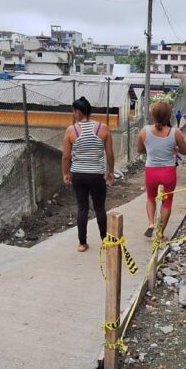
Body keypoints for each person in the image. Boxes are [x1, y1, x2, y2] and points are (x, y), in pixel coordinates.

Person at [61, 96, 114, 252]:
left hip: (78, 175)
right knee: (99, 208)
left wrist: (65, 173)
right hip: (96, 175)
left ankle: (82, 243)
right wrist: (110, 171)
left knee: (82, 208)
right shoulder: (103, 128)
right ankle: (105, 241)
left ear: (78, 112)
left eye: (74, 111)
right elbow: (110, 154)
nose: (73, 114)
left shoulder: (71, 130)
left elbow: (66, 157)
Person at [138, 101, 186, 238]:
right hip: (168, 173)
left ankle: (151, 223)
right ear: (169, 115)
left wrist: (151, 149)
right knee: (167, 203)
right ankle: (160, 234)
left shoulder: (144, 131)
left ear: (153, 115)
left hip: (151, 171)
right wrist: (176, 149)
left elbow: (140, 150)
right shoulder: (175, 133)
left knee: (151, 198)